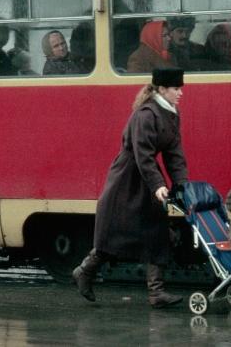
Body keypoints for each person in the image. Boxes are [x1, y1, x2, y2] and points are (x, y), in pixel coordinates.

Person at [73, 67, 188, 308]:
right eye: (176, 89)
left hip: (146, 176)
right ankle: (85, 271)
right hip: (127, 177)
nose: (180, 93)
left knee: (158, 228)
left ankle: (156, 293)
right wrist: (158, 185)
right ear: (163, 89)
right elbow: (142, 154)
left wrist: (181, 184)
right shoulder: (147, 114)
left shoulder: (170, 113)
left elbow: (174, 153)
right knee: (116, 232)